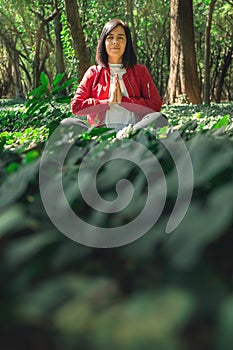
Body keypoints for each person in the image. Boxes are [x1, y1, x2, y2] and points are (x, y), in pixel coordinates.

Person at [63, 19, 167, 131]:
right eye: (110, 37)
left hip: (134, 133)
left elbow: (155, 105)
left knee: (159, 118)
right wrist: (108, 102)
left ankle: (126, 138)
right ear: (103, 42)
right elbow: (76, 107)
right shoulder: (93, 73)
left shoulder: (140, 71)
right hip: (100, 137)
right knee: (67, 123)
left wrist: (124, 101)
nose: (115, 41)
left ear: (127, 43)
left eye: (120, 37)